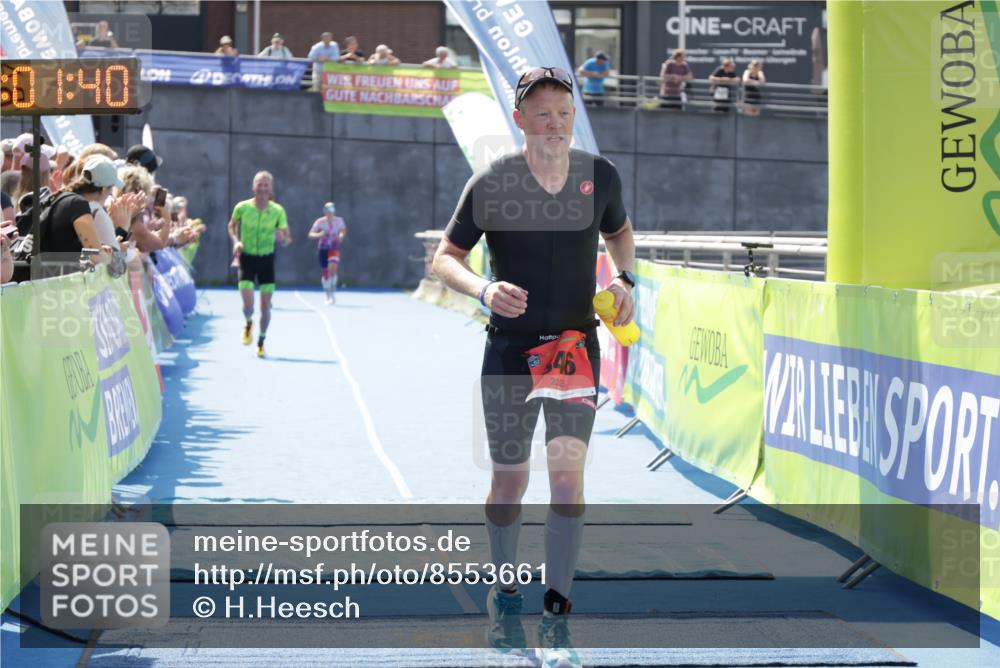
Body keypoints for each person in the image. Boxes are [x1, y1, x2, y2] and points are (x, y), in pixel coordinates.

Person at [432, 65, 636, 668]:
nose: (555, 124)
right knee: (509, 484)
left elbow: (621, 234)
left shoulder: (600, 177)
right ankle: (504, 587)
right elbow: (445, 258)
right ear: (520, 119)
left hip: (574, 348)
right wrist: (483, 288)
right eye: (543, 113)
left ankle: (557, 612)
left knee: (569, 481)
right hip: (510, 352)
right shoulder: (493, 182)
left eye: (565, 114)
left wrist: (624, 277)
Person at [228, 171, 290, 358]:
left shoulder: (278, 211)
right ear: (253, 187)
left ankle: (261, 340)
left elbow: (285, 234)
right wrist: (235, 241)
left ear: (270, 189)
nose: (263, 188)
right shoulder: (242, 207)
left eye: (266, 185)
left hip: (266, 260)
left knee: (265, 306)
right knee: (248, 304)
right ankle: (248, 323)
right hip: (247, 258)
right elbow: (231, 225)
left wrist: (282, 237)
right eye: (259, 185)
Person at [308, 201, 347, 304]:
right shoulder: (320, 221)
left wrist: (341, 235)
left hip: (334, 248)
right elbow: (311, 234)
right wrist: (319, 234)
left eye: (332, 210)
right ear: (324, 211)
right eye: (328, 210)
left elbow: (343, 230)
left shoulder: (339, 221)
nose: (330, 212)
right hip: (323, 248)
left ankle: (333, 290)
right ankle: (327, 294)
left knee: (332, 267)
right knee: (326, 272)